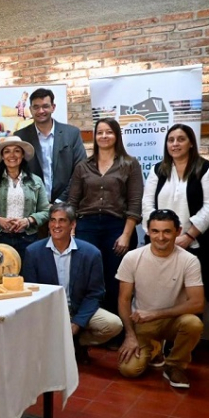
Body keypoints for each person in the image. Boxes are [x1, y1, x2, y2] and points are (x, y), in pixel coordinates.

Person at [22, 204, 123, 363]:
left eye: (62, 221)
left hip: (79, 309)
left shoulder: (91, 253)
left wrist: (77, 324)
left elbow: (95, 293)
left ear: (73, 224)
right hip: (49, 310)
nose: (56, 225)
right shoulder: (33, 252)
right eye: (53, 220)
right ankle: (61, 344)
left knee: (113, 325)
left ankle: (78, 342)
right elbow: (32, 292)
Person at [115, 209, 205, 388]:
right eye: (155, 231)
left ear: (178, 232)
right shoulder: (132, 257)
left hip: (173, 321)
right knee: (129, 370)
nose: (161, 237)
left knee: (193, 323)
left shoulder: (189, 260)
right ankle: (155, 348)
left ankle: (174, 365)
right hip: (142, 323)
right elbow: (123, 300)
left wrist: (155, 314)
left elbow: (198, 303)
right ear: (148, 231)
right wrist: (130, 335)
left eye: (167, 231)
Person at [67, 118, 143, 313]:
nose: (104, 136)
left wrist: (126, 234)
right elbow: (73, 202)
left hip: (117, 228)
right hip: (87, 228)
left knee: (115, 280)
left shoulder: (130, 164)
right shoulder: (83, 166)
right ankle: (87, 327)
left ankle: (115, 330)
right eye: (100, 132)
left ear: (117, 135)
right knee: (87, 279)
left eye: (108, 132)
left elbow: (135, 203)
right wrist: (72, 230)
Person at [142, 123, 209, 299]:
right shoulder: (157, 170)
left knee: (191, 298)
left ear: (191, 143)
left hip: (193, 243)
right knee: (160, 295)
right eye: (171, 140)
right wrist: (156, 234)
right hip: (159, 244)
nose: (175, 144)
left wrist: (188, 236)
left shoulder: (205, 168)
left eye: (181, 139)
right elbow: (147, 203)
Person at [0, 136, 50, 261]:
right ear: (2, 156)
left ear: (22, 155)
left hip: (27, 238)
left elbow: (46, 211)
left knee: (27, 276)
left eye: (17, 151)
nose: (12, 155)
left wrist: (28, 221)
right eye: (7, 151)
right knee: (0, 276)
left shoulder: (36, 181)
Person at [14, 87, 86, 203]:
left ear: (53, 107)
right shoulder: (21, 136)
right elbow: (15, 172)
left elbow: (80, 170)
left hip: (66, 205)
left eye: (45, 106)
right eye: (36, 107)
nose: (41, 111)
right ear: (30, 109)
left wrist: (61, 200)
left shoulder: (71, 134)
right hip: (32, 206)